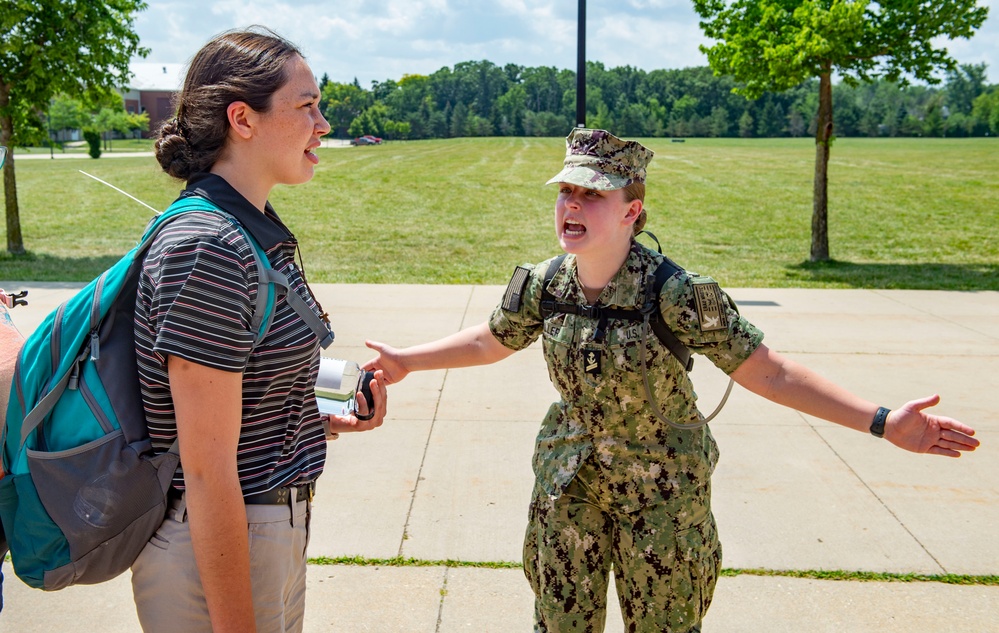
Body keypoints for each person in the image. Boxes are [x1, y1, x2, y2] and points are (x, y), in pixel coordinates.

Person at [364, 128, 979, 633]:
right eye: (565, 192)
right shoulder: (544, 285)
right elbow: (491, 339)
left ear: (631, 210)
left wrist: (882, 422)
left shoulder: (678, 294)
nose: (571, 205)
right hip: (568, 482)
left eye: (592, 195)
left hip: (662, 497)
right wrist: (407, 361)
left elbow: (771, 372)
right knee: (558, 623)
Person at [132, 27, 387, 633]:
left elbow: (234, 415)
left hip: (259, 531)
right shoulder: (210, 249)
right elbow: (207, 467)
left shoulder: (246, 229)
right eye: (306, 106)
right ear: (242, 119)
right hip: (221, 544)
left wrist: (320, 421)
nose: (322, 124)